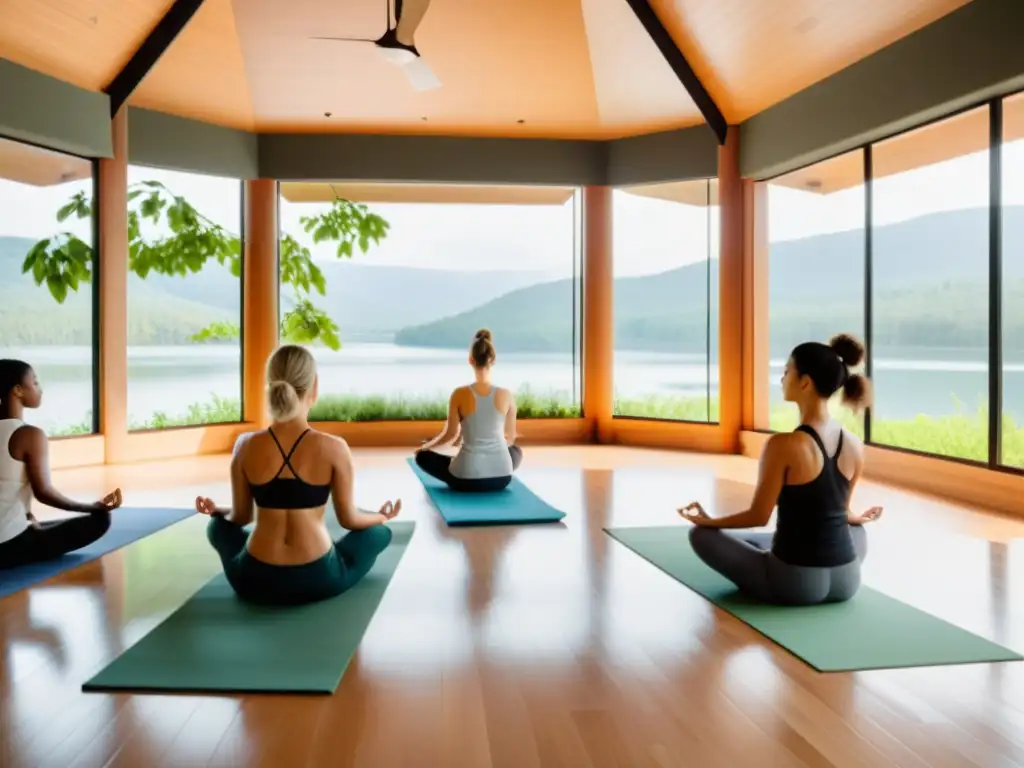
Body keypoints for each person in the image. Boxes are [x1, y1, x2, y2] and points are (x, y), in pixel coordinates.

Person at [678, 334, 883, 606]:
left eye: (787, 372)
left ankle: (763, 552)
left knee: (701, 536)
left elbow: (759, 515)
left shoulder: (783, 445)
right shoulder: (855, 444)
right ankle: (772, 548)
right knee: (855, 530)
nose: (782, 379)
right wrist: (859, 518)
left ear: (805, 382)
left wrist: (707, 521)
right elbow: (841, 510)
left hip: (793, 584)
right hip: (847, 580)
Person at [195, 344, 401, 607]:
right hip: (319, 577)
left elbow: (241, 517)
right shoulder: (334, 448)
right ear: (314, 388)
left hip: (253, 580)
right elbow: (349, 519)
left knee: (217, 526)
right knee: (378, 533)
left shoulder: (245, 445)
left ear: (270, 387)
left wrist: (218, 510)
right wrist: (381, 516)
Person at [0, 359, 122, 570]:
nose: (40, 389)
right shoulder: (29, 435)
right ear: (18, 390)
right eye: (35, 382)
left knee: (37, 524)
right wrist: (91, 507)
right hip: (7, 546)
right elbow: (43, 492)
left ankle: (29, 526)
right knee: (100, 520)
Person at [414, 329, 522, 492]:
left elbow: (450, 435)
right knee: (516, 451)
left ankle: (461, 460)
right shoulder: (506, 395)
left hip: (466, 479)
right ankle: (487, 464)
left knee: (422, 457)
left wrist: (426, 447)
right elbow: (511, 438)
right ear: (492, 359)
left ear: (470, 360)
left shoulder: (459, 394)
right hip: (502, 478)